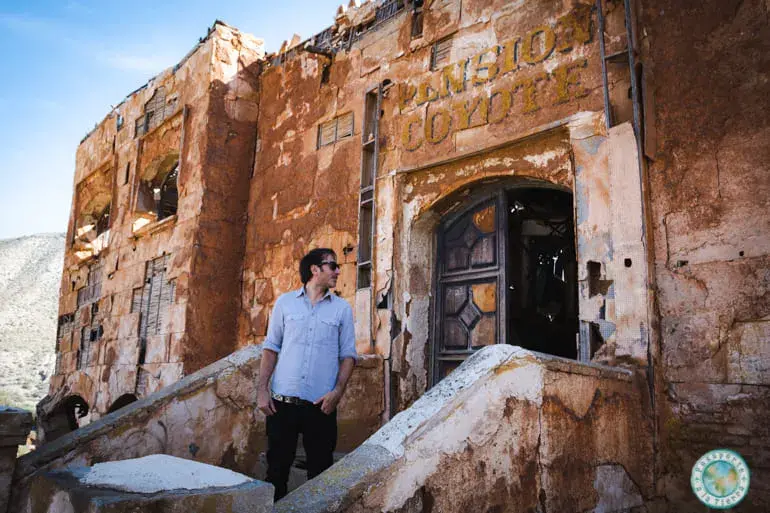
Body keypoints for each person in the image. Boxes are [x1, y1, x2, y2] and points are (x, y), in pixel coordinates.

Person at [257, 248, 357, 500]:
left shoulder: (342, 309)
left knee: (321, 477)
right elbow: (271, 348)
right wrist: (261, 391)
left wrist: (337, 393)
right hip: (282, 405)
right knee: (276, 474)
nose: (337, 271)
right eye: (332, 266)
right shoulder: (285, 303)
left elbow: (348, 356)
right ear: (315, 269)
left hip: (321, 407)